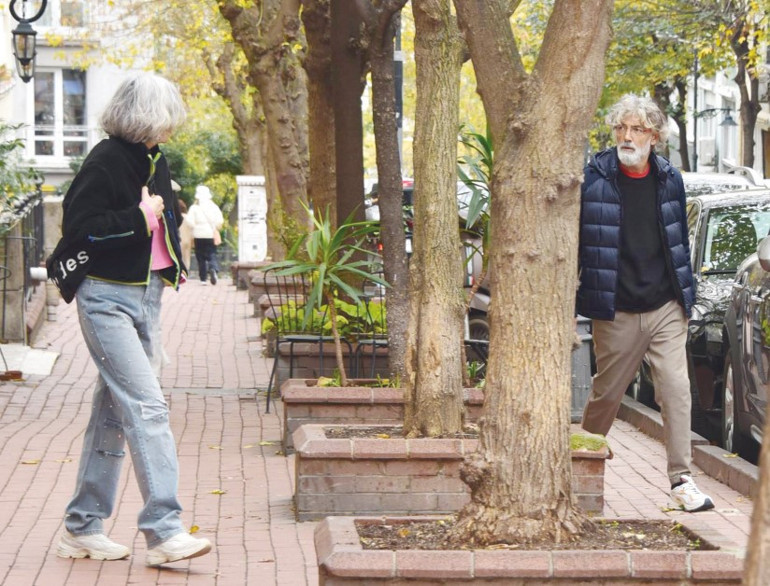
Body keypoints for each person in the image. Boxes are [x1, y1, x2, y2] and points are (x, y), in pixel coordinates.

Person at [55, 73, 213, 565]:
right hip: (105, 299)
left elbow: (160, 223)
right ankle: (165, 531)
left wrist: (171, 263)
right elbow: (79, 228)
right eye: (169, 115)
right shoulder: (105, 160)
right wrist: (137, 218)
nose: (173, 125)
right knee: (148, 406)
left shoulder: (153, 158)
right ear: (148, 115)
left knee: (113, 416)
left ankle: (82, 527)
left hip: (144, 299)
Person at [577, 94, 714, 513]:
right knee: (606, 395)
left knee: (675, 389)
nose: (626, 136)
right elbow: (577, 246)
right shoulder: (595, 179)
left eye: (636, 129)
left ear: (654, 136)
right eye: (621, 127)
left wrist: (685, 298)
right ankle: (579, 461)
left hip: (664, 307)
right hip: (616, 309)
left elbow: (678, 243)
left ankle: (682, 479)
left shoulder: (670, 179)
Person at [186, 185, 224, 285]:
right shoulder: (214, 207)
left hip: (198, 234)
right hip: (210, 233)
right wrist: (215, 227)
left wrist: (195, 226)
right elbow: (220, 220)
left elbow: (189, 220)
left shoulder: (194, 207)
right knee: (211, 253)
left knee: (200, 257)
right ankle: (213, 268)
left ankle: (203, 279)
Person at [177, 196, 194, 270]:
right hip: (188, 240)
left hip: (179, 239)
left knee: (178, 257)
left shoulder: (176, 217)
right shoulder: (188, 217)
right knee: (187, 258)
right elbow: (193, 228)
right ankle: (185, 272)